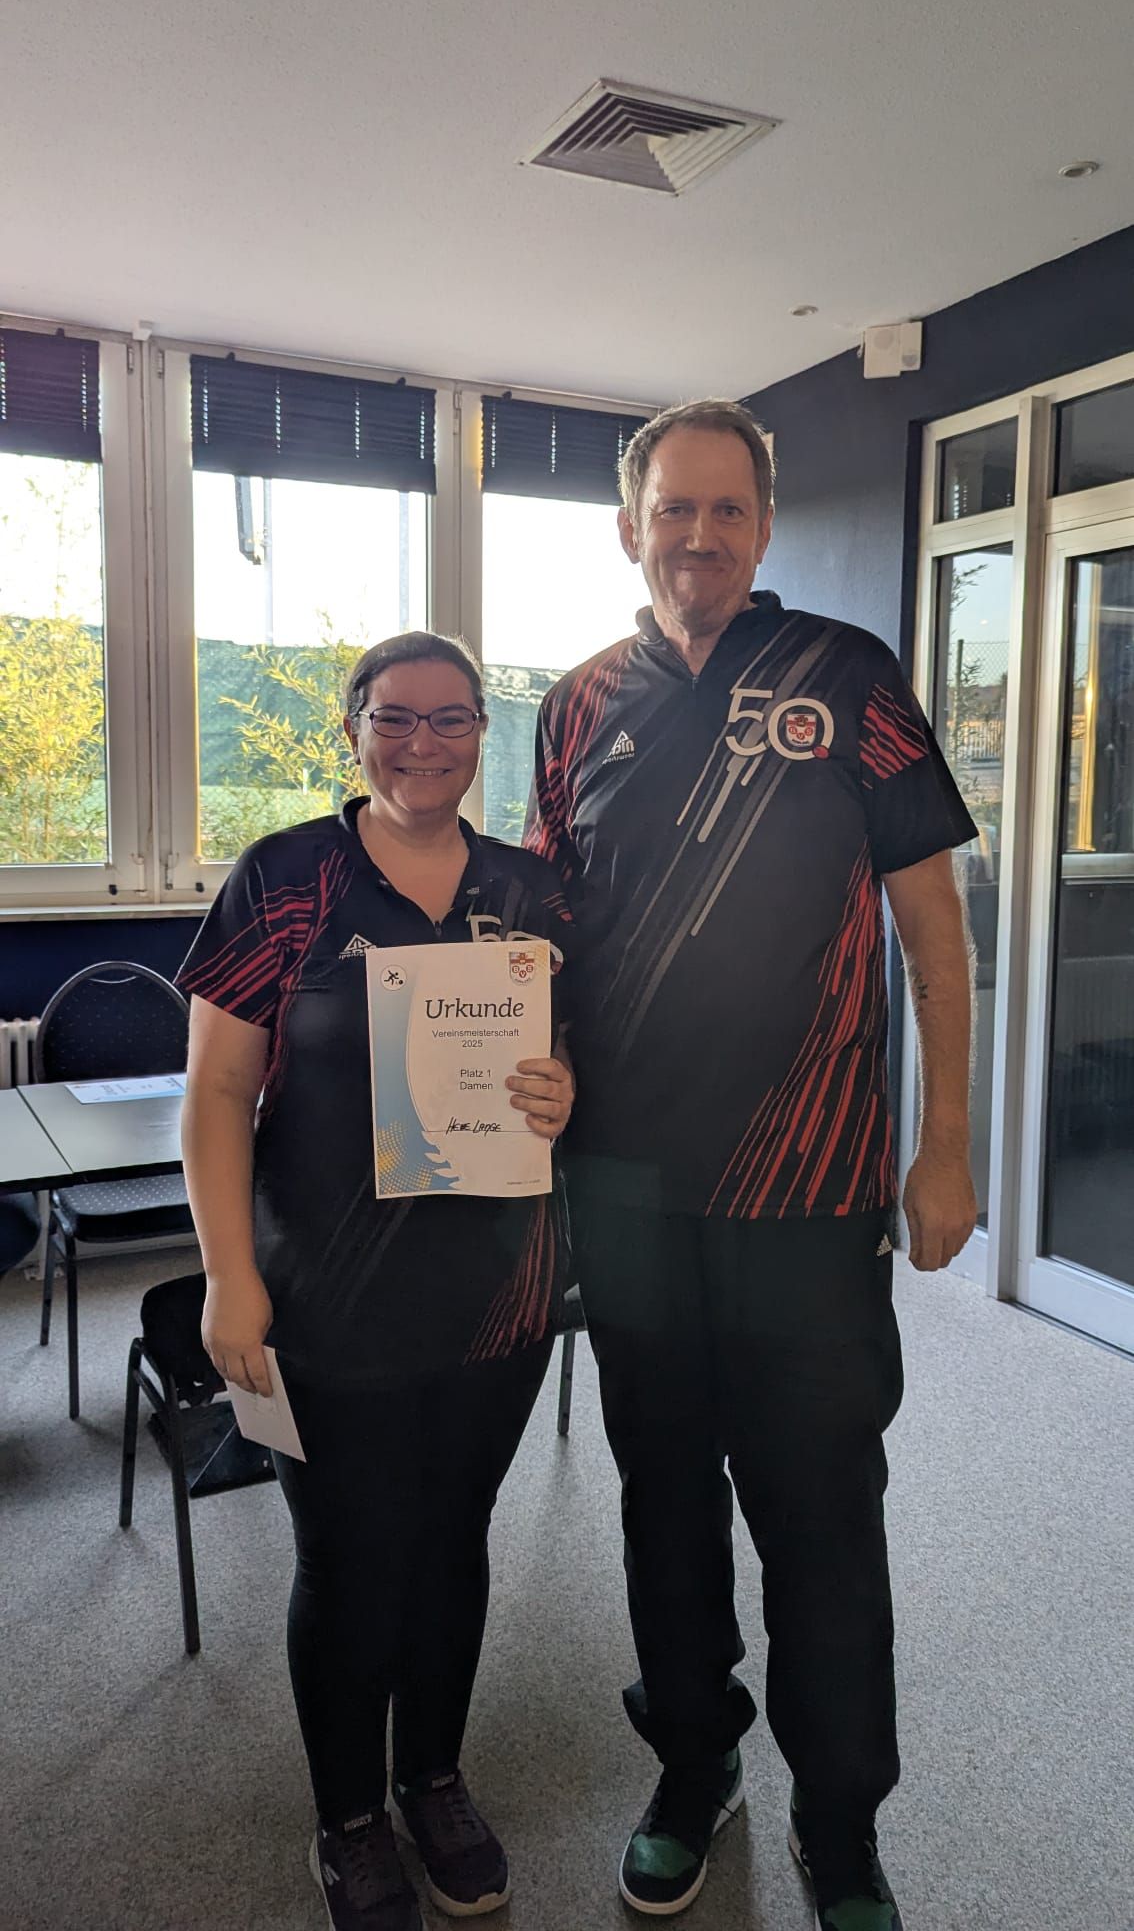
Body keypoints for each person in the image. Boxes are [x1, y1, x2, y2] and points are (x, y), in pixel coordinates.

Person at [525, 400, 978, 1931]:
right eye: (674, 509)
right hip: (627, 1191)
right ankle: (691, 1761)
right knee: (663, 1503)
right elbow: (546, 937)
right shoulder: (577, 707)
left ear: (765, 526)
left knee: (820, 1516)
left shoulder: (848, 679)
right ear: (628, 527)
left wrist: (943, 1147)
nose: (699, 536)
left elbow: (932, 935)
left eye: (727, 509)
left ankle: (838, 1823)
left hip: (812, 1189)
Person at [178, 632, 574, 1931]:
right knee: (350, 1562)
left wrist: (562, 1088)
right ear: (352, 730)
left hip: (497, 1296)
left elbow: (574, 1058)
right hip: (323, 1297)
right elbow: (217, 1094)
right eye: (393, 718)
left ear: (481, 734)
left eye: (450, 718)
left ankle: (434, 1779)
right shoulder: (287, 876)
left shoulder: (529, 890)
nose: (422, 743)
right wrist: (227, 1276)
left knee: (453, 1543)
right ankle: (349, 1817)